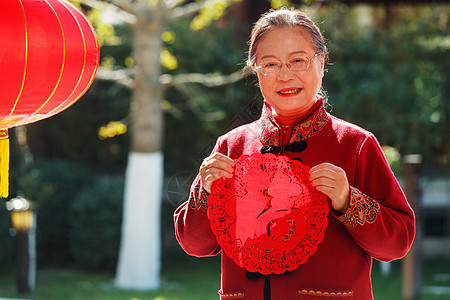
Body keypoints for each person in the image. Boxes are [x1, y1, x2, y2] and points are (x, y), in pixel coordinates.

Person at [174, 8, 415, 300]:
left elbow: (397, 243)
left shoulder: (355, 144)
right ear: (255, 70)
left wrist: (347, 200)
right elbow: (194, 244)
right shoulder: (231, 146)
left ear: (322, 62)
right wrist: (206, 193)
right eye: (270, 64)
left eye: (298, 61)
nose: (285, 75)